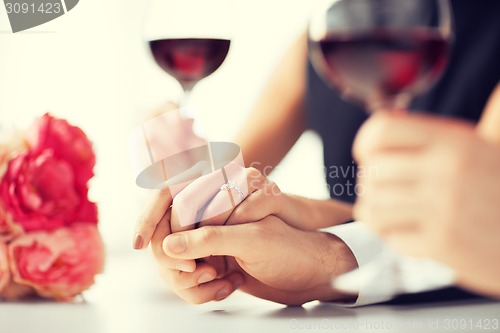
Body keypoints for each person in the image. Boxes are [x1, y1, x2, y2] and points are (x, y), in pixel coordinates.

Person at [133, 0, 500, 305]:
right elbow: (233, 186)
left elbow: (474, 227)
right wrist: (195, 206)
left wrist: (330, 258)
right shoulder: (323, 36)